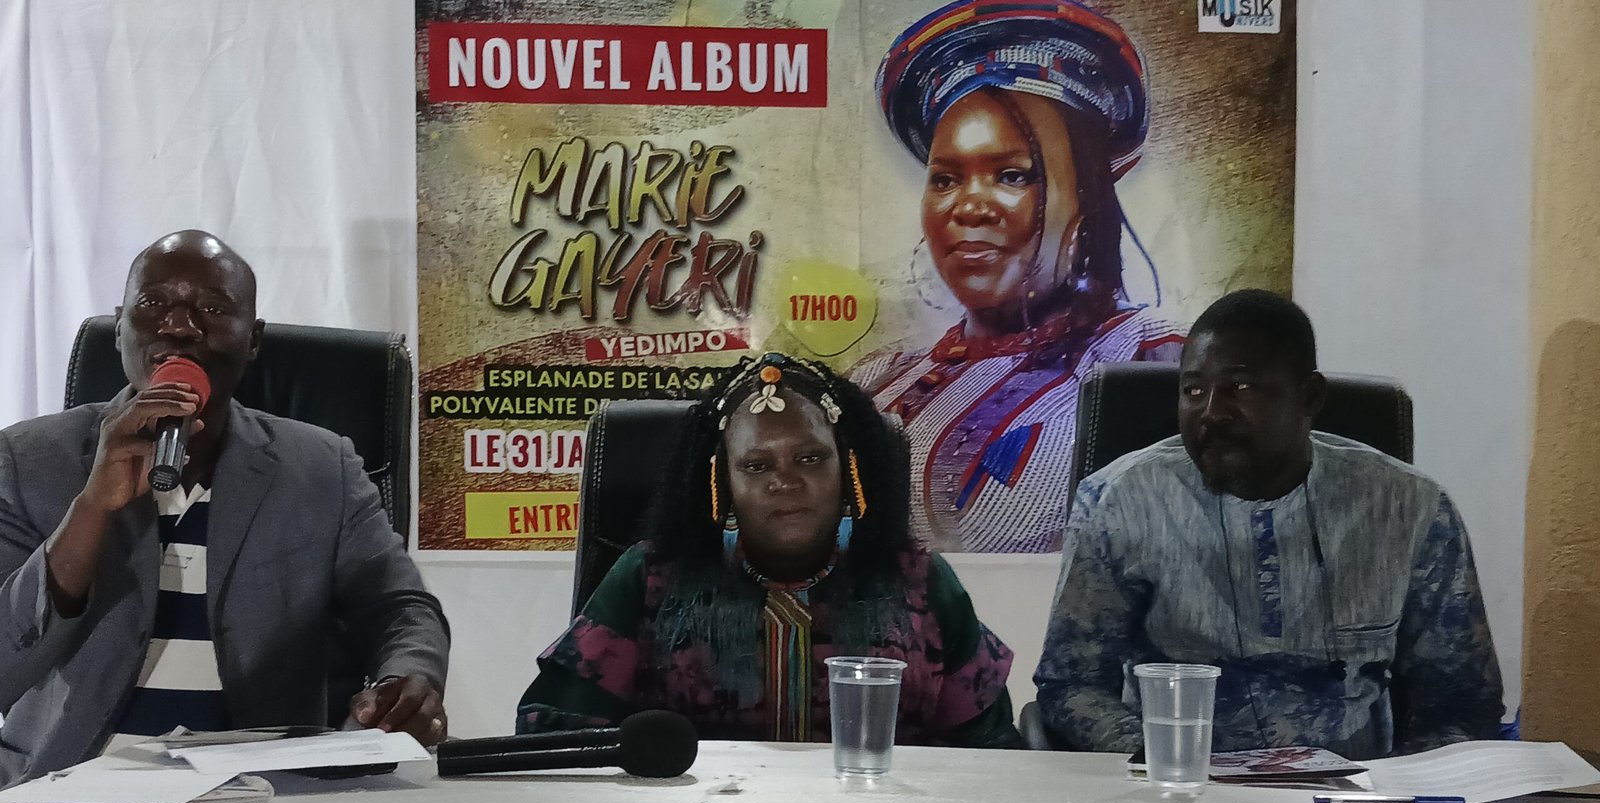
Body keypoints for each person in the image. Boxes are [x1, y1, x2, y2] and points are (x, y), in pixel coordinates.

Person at [0, 230, 450, 787]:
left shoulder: (322, 468)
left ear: (253, 339)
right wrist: (91, 508)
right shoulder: (27, 460)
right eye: (152, 303)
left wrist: (409, 675)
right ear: (119, 327)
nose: (179, 327)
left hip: (262, 793)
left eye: (212, 309)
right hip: (68, 789)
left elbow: (399, 607)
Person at [1033, 290, 1503, 758]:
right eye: (1194, 390)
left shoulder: (1411, 508)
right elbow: (1070, 683)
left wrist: (1406, 789)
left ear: (1309, 396)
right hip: (1180, 785)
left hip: (1356, 791)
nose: (1212, 412)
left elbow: (1460, 701)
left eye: (1240, 387)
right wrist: (1160, 757)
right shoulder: (1118, 501)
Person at [517, 352, 1020, 747]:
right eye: (757, 465)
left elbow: (991, 752)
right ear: (722, 481)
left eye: (810, 458)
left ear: (848, 471)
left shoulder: (920, 582)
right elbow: (554, 732)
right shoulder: (650, 578)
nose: (785, 481)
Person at [853, 0, 1184, 554]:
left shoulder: (1159, 363)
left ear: (1088, 196)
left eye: (1012, 175)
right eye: (945, 179)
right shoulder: (877, 382)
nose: (969, 207)